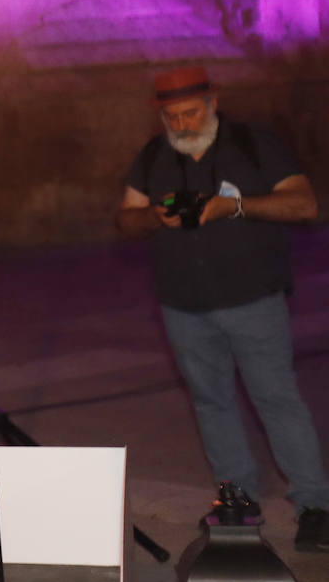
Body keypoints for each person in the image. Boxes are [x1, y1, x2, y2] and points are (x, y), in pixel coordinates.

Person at [116, 65, 329, 550]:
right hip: (183, 307)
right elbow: (124, 217)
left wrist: (234, 207)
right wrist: (153, 215)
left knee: (276, 398)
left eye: (191, 112)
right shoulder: (153, 157)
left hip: (253, 299)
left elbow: (304, 204)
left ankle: (315, 504)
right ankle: (237, 498)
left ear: (212, 103)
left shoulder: (254, 145)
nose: (183, 124)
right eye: (172, 117)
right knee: (212, 403)